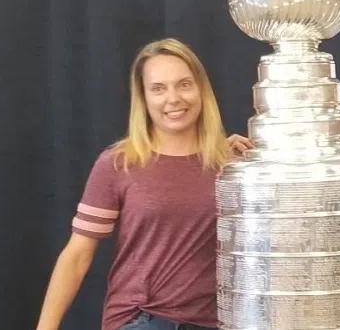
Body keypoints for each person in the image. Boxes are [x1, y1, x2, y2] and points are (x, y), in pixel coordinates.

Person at [35, 38, 253, 330]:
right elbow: (77, 255)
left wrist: (248, 161)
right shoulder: (119, 163)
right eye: (158, 89)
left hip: (217, 322)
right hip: (143, 319)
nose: (173, 98)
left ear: (202, 89)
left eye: (184, 84)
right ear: (144, 98)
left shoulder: (231, 167)